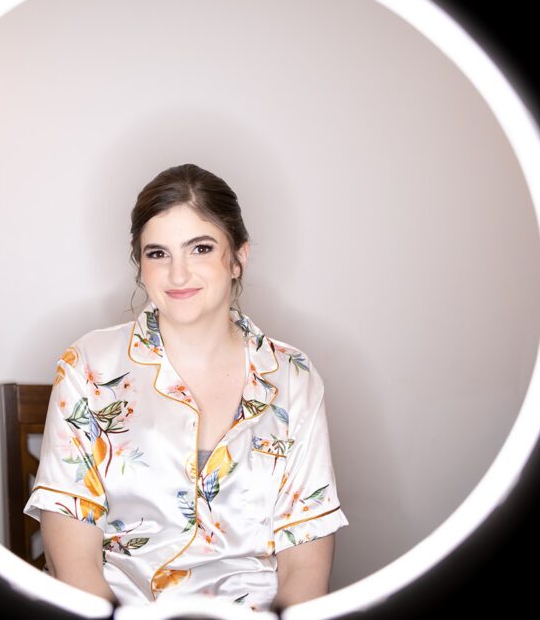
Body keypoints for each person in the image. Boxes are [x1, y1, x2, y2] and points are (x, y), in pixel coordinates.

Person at [24, 164, 347, 610]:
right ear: (140, 265)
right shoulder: (87, 367)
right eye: (158, 253)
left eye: (200, 248)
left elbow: (305, 566)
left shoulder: (294, 376)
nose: (178, 275)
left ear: (238, 258)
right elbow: (73, 564)